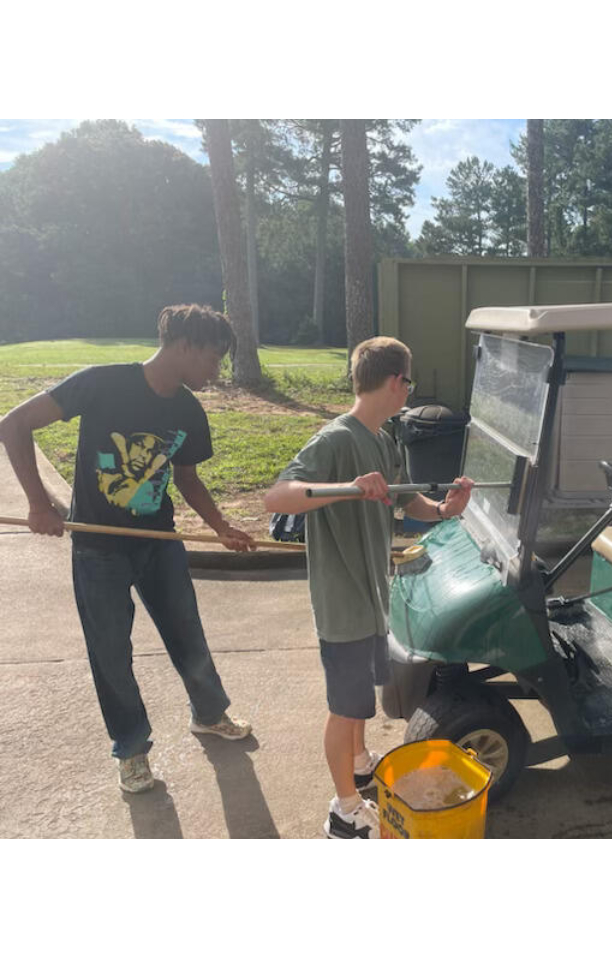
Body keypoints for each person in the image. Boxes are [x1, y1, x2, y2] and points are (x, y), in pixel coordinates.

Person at [0, 304, 256, 794]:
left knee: (187, 631)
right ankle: (132, 750)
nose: (215, 370)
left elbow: (187, 479)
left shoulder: (187, 408)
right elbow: (13, 425)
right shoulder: (100, 383)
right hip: (97, 548)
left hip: (158, 543)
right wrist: (39, 503)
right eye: (213, 358)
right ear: (185, 347)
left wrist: (222, 526)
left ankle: (208, 713)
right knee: (111, 653)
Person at [265, 336, 473, 839]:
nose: (408, 392)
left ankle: (359, 763)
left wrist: (445, 508)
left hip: (372, 595)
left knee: (359, 701)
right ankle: (344, 810)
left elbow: (403, 500)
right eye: (409, 384)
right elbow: (278, 496)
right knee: (344, 706)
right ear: (396, 382)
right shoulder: (336, 439)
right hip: (344, 600)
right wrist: (350, 487)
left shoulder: (383, 437)